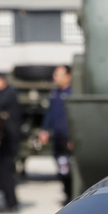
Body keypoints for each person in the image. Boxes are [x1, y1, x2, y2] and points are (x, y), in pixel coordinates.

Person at [0, 72, 22, 213]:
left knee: (5, 172)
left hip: (10, 139)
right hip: (7, 139)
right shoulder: (6, 93)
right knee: (3, 171)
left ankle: (11, 203)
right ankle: (10, 201)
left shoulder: (7, 94)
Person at [39, 64, 73, 204]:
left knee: (70, 168)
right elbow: (49, 114)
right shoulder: (55, 93)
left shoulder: (73, 93)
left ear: (68, 76)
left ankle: (73, 195)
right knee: (61, 166)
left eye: (58, 74)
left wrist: (73, 137)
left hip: (68, 137)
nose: (55, 77)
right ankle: (66, 194)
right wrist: (44, 130)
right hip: (57, 136)